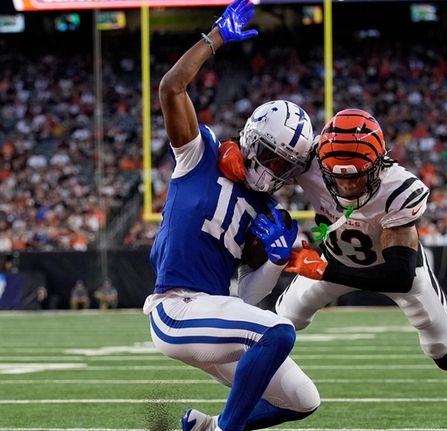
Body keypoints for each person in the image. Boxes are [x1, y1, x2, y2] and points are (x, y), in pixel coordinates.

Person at [219, 108, 447, 374]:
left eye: (357, 178)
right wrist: (233, 152)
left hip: (389, 268)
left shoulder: (399, 189)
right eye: (337, 180)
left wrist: (324, 269)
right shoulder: (309, 159)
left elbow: (399, 276)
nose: (347, 187)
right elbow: (269, 140)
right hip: (332, 258)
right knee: (269, 328)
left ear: (379, 164)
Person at [143, 2, 319, 430]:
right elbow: (171, 88)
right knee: (278, 333)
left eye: (284, 167)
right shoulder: (198, 155)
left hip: (213, 313)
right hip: (176, 309)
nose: (274, 172)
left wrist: (277, 261)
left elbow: (243, 299)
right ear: (251, 140)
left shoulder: (269, 211)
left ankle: (205, 427)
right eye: (271, 158)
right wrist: (215, 37)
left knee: (303, 400)